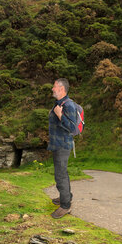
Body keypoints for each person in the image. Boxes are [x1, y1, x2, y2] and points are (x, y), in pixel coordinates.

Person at [47, 78, 76, 219]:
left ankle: (65, 206)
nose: (52, 89)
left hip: (63, 145)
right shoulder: (59, 103)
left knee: (60, 175)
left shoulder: (69, 105)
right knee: (61, 173)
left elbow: (72, 127)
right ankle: (66, 196)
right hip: (57, 144)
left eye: (54, 86)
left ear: (61, 89)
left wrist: (59, 115)